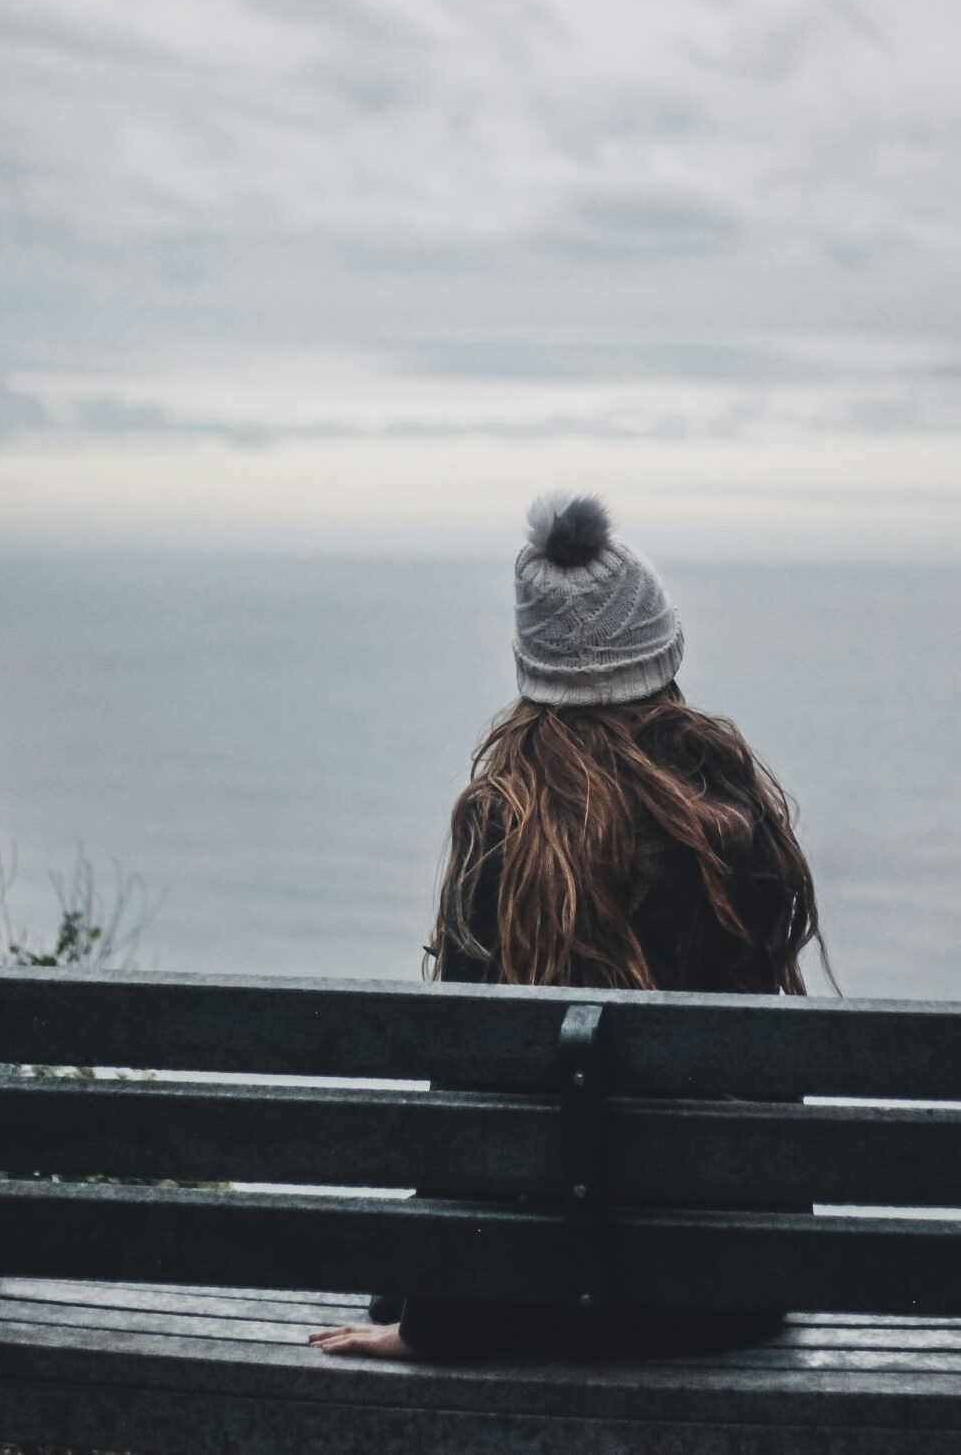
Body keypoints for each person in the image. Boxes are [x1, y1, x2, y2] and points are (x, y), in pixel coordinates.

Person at [311, 491, 824, 1362]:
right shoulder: (734, 819)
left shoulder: (501, 823)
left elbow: (470, 1089)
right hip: (724, 1292)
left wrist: (429, 1325)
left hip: (530, 1297)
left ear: (533, 669)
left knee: (396, 1272)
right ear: (662, 651)